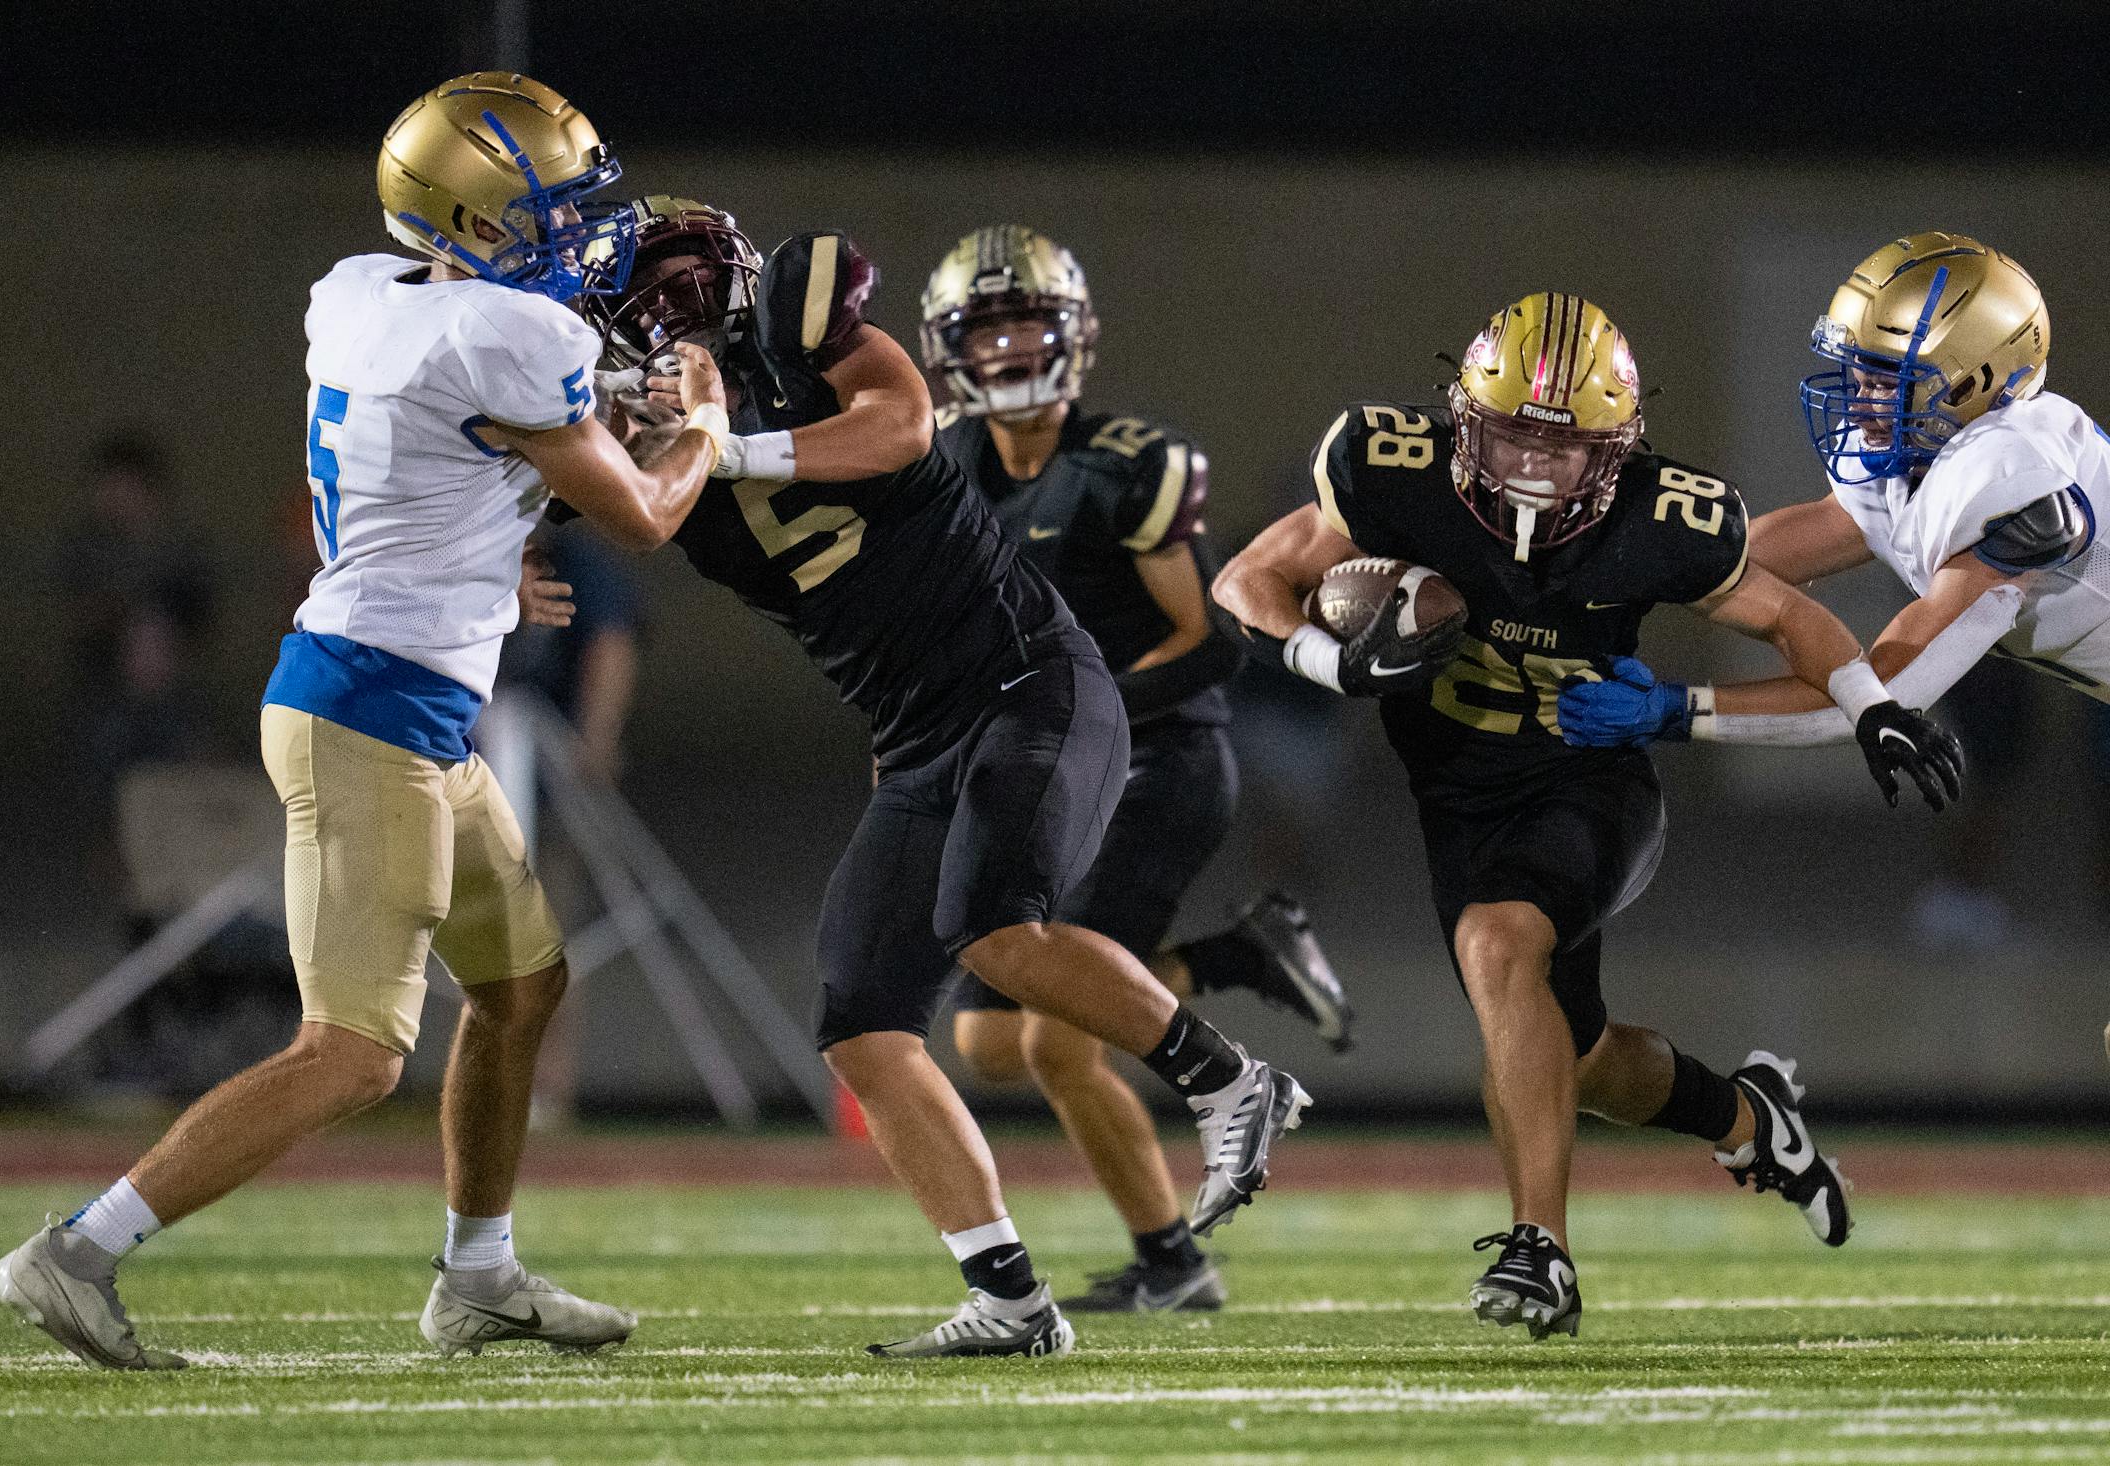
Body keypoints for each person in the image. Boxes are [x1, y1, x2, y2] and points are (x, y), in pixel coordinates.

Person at [0, 73, 728, 1369]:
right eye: (548, 212)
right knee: (350, 1052)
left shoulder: (362, 292)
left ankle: (480, 1272)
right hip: (368, 716)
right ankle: (78, 1247)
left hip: (410, 705)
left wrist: (488, 545)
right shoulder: (510, 334)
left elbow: (422, 448)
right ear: (468, 217)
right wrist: (704, 430)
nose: (582, 234)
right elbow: (645, 517)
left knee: (523, 983)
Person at [586, 198, 1309, 1358]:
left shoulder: (796, 321)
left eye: (612, 316)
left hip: (1027, 680)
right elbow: (614, 510)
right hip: (916, 735)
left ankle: (1230, 1084)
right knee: (863, 1022)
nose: (600, 347)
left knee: (991, 929)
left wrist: (736, 442)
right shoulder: (642, 438)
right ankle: (1013, 1300)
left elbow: (903, 424)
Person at [1213, 293, 1956, 1338]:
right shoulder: (1390, 467)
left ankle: (1541, 1252)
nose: (1529, 467)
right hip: (1457, 797)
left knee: (1496, 940)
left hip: (1589, 780)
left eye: (1560, 449)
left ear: (1619, 447)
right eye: (1511, 433)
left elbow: (1791, 615)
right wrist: (1324, 657)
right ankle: (1752, 1117)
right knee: (1577, 1054)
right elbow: (1250, 579)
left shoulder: (1665, 513)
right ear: (1465, 416)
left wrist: (1872, 705)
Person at [921, 225, 1354, 1315]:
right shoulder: (947, 464)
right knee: (989, 1040)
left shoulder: (1128, 463)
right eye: (990, 327)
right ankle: (1229, 958)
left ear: (1075, 336)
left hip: (1160, 755)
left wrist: (1076, 707)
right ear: (949, 348)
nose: (1014, 347)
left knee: (1059, 1036)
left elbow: (1209, 638)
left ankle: (1172, 1260)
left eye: (1031, 322)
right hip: (1048, 763)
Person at [1562, 232, 2104, 769]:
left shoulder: (2010, 473)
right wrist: (1600, 565)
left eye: (1886, 383)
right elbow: (1760, 550)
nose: (1861, 404)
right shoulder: (1924, 449)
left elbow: (1884, 699)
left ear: (1972, 383)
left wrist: (1678, 710)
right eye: (1858, 376)